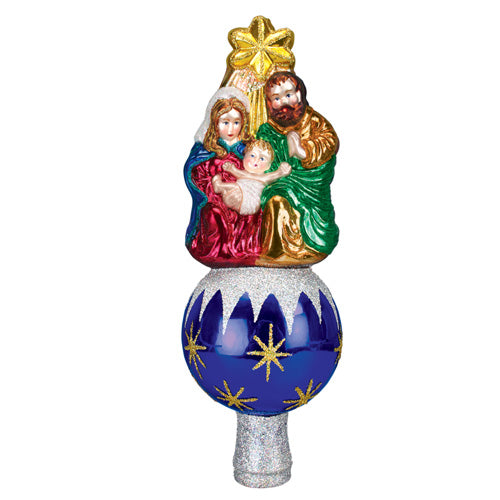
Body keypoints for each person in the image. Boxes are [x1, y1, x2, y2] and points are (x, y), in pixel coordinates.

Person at [256, 71, 340, 265]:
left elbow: (330, 143)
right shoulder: (267, 130)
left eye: (288, 95)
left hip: (310, 183)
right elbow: (262, 162)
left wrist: (305, 151)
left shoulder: (314, 122)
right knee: (276, 201)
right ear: (269, 103)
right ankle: (275, 252)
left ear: (300, 94)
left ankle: (306, 246)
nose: (284, 103)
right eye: (276, 99)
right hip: (280, 181)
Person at [184, 87, 262, 267]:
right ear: (215, 123)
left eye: (236, 122)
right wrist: (215, 192)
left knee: (254, 212)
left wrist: (244, 192)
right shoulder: (205, 151)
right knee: (213, 214)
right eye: (225, 122)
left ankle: (245, 249)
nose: (231, 129)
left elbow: (257, 173)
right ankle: (221, 251)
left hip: (243, 199)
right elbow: (197, 177)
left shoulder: (247, 150)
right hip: (216, 201)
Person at [212, 139, 291, 215]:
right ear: (244, 157)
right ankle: (222, 190)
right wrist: (232, 169)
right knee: (235, 188)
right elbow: (241, 174)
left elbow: (277, 174)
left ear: (268, 166)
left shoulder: (264, 177)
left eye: (262, 158)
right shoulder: (243, 173)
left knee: (235, 187)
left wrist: (282, 171)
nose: (256, 160)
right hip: (233, 198)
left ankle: (220, 187)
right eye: (252, 155)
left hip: (249, 204)